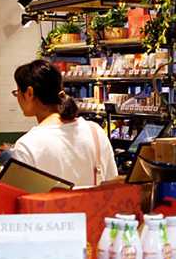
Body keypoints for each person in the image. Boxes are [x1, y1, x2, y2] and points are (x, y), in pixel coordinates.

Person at [12, 59, 117, 187]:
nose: (17, 97)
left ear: (29, 93)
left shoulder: (27, 146)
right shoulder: (96, 132)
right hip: (93, 206)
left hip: (50, 208)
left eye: (17, 92)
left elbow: (21, 200)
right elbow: (112, 185)